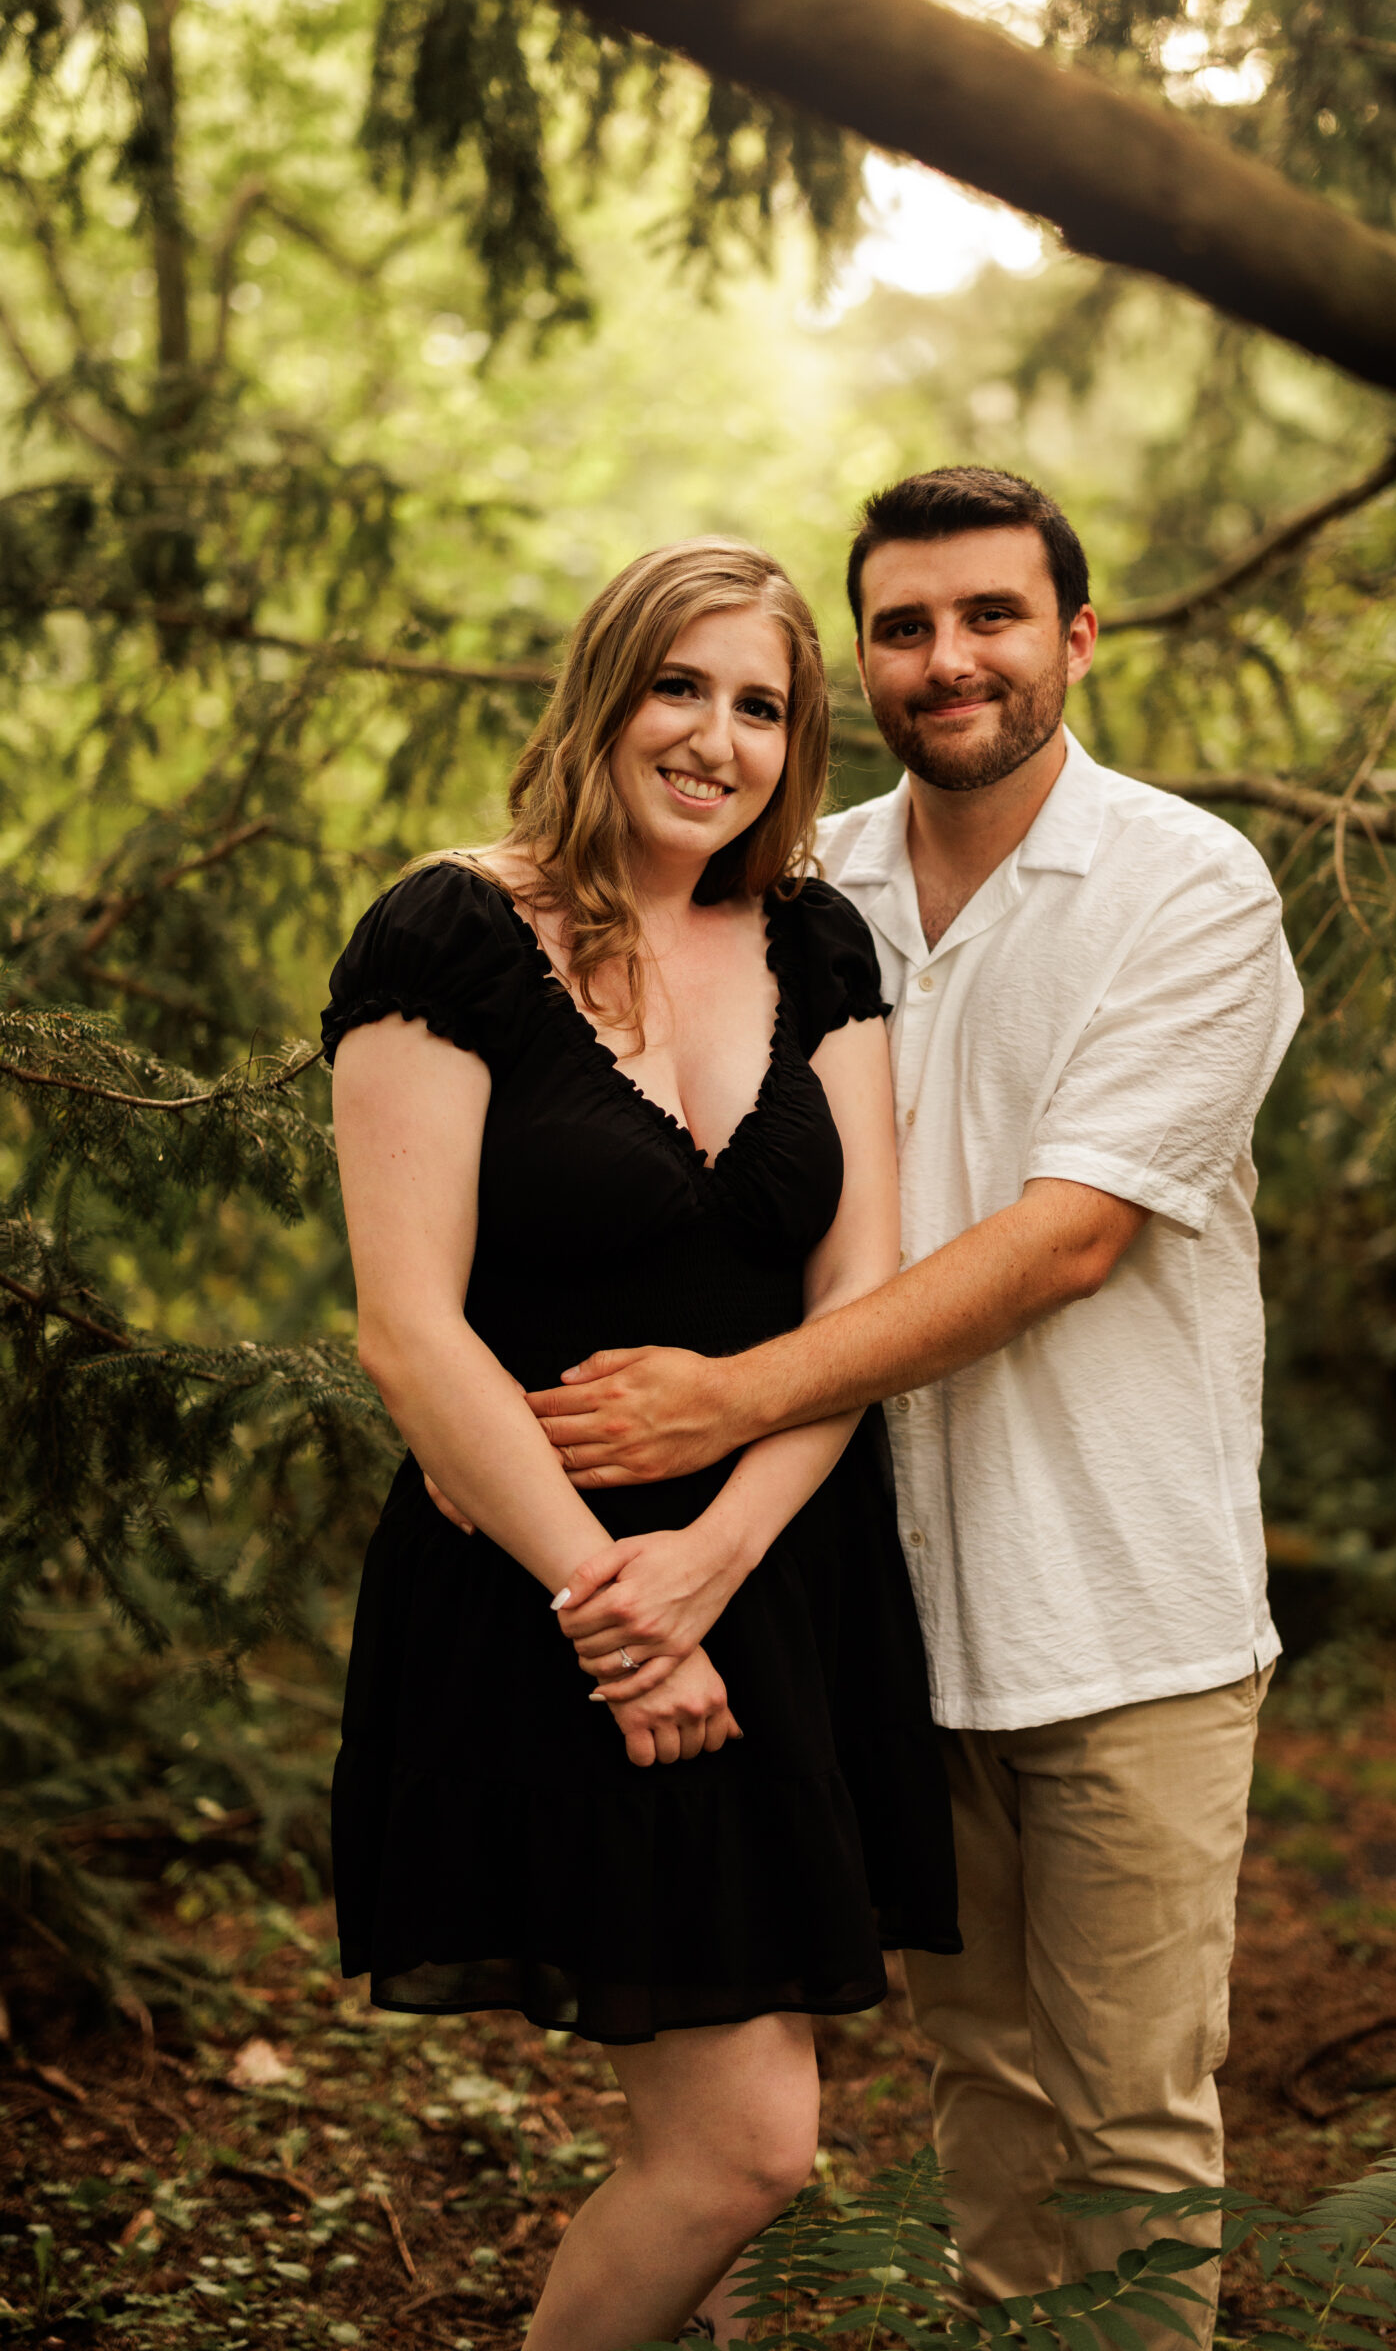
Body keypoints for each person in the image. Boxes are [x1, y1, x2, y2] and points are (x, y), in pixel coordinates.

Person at [515, 468, 1304, 2340]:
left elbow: (1064, 1244)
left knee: (1128, 2123)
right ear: (861, 657)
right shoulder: (801, 890)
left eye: (993, 617)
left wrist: (726, 1402)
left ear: (1077, 638)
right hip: (887, 1614)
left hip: (1127, 1617)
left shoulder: (1189, 886)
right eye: (903, 626)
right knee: (985, 2097)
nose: (949, 660)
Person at [322, 537, 958, 2351]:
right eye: (681, 686)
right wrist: (617, 1609)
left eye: (762, 705)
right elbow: (408, 1324)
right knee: (747, 2149)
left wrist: (717, 1563)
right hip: (548, 1589)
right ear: (604, 692)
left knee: (731, 2099)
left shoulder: (817, 940)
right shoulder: (446, 933)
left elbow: (862, 1303)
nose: (716, 737)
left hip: (772, 1572)